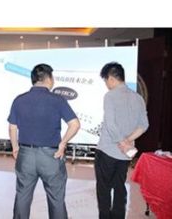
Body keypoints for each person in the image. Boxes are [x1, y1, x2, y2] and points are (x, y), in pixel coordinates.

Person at [8, 64, 80, 219]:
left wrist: (15, 147)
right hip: (51, 157)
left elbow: (12, 127)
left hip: (26, 155)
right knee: (56, 199)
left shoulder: (19, 100)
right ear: (48, 79)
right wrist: (63, 143)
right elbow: (75, 124)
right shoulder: (57, 100)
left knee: (22, 196)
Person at [95, 62, 149, 219]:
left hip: (107, 151)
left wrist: (121, 142)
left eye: (106, 81)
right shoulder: (138, 98)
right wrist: (127, 141)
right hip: (125, 155)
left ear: (111, 78)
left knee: (104, 189)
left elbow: (110, 124)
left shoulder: (110, 96)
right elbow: (144, 125)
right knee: (119, 187)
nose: (106, 85)